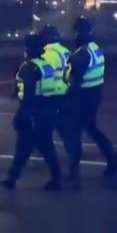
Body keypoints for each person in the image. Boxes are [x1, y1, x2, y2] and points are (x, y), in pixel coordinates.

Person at [0, 34, 62, 191]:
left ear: (29, 49)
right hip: (46, 110)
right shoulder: (46, 66)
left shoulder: (29, 68)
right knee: (44, 148)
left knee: (25, 148)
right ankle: (54, 178)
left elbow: (29, 94)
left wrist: (24, 113)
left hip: (33, 114)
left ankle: (12, 179)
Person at [64, 16, 117, 180]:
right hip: (94, 94)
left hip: (82, 97)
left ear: (79, 33)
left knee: (74, 133)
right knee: (91, 130)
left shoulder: (82, 54)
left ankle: (73, 170)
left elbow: (76, 80)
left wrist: (68, 98)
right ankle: (112, 159)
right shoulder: (95, 49)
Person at [39, 24, 72, 152]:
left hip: (51, 94)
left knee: (44, 128)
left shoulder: (48, 53)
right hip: (65, 93)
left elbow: (44, 74)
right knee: (64, 128)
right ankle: (73, 152)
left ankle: (48, 154)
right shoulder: (65, 51)